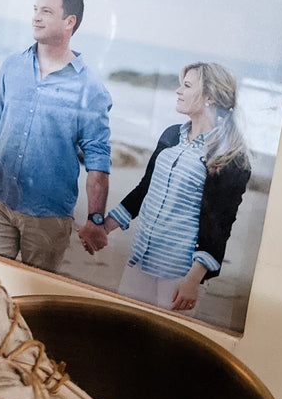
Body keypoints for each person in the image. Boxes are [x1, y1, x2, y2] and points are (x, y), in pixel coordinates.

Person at [0, 0, 112, 272]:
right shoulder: (12, 65)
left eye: (46, 11)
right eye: (35, 9)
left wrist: (95, 220)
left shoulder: (90, 89)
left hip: (48, 216)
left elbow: (98, 163)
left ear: (70, 22)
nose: (36, 17)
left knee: (34, 297)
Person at [78, 61, 251, 315]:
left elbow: (220, 225)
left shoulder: (228, 157)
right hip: (140, 260)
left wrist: (193, 279)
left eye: (187, 85)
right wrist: (104, 227)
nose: (178, 91)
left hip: (179, 275)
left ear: (209, 97)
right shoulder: (171, 135)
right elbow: (144, 190)